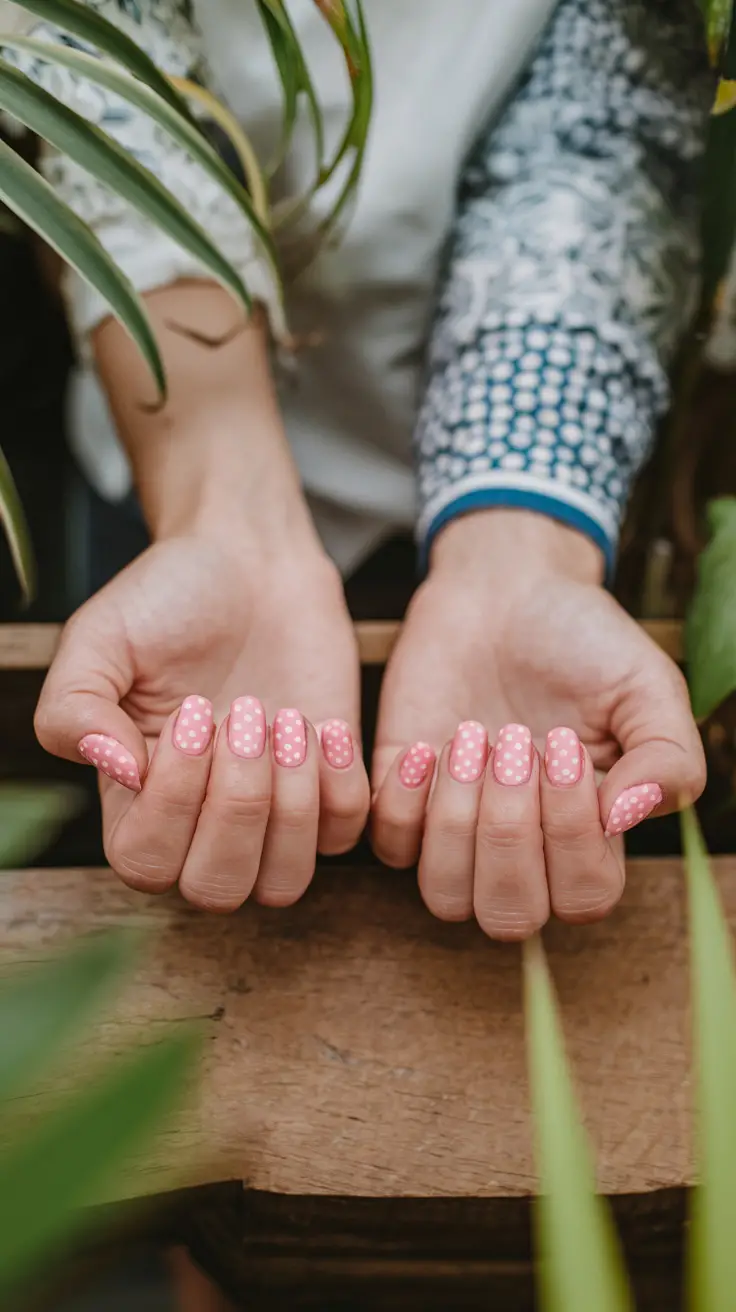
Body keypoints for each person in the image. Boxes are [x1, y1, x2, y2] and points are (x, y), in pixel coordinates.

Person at [3, 0, 709, 936]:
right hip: (168, 442)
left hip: (543, 475)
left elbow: (598, 145)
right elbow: (96, 78)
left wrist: (519, 552)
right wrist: (223, 510)